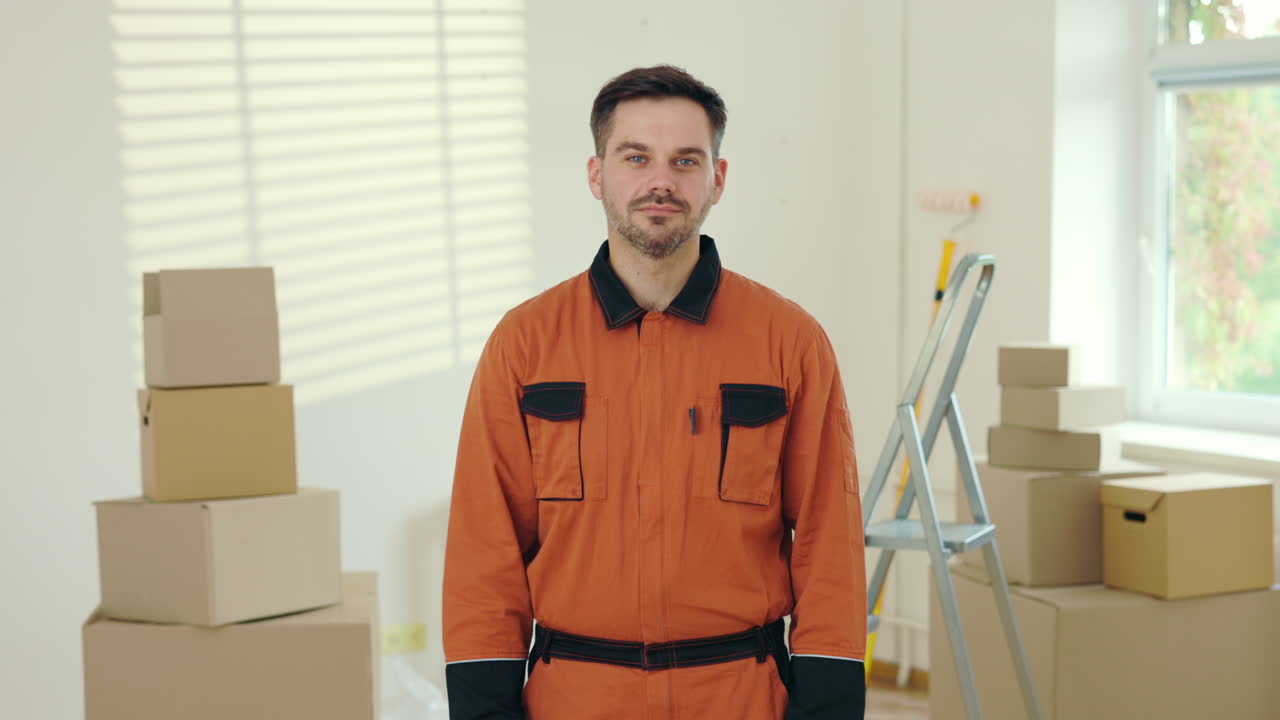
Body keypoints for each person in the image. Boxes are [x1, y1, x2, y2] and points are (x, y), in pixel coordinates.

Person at [442, 65, 867, 720]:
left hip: (741, 698)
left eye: (686, 160)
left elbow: (828, 545)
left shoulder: (790, 343)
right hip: (572, 700)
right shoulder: (524, 345)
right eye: (636, 157)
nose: (660, 181)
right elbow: (483, 549)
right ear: (597, 174)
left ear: (717, 180)